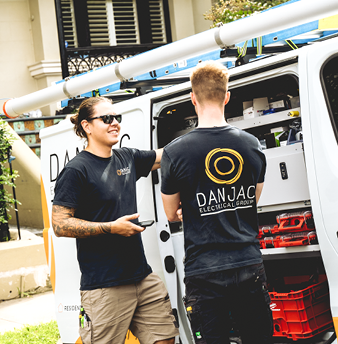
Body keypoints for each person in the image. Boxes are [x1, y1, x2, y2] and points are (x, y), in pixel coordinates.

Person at [160, 62, 272, 344]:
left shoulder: (175, 152)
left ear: (192, 99)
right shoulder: (251, 144)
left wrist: (196, 208)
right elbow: (251, 199)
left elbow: (171, 213)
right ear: (227, 96)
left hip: (204, 269)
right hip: (248, 263)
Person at [51, 96, 178, 344]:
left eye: (117, 118)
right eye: (107, 118)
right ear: (87, 126)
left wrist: (204, 135)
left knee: (164, 338)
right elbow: (60, 224)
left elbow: (167, 156)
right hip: (104, 285)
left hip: (142, 277)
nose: (115, 123)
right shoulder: (77, 170)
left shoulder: (126, 158)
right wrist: (111, 228)